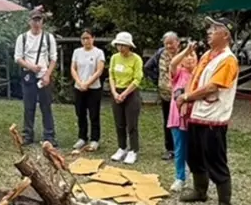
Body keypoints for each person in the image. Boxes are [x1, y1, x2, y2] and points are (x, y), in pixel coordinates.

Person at [178, 17, 240, 205]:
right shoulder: (207, 54)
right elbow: (194, 78)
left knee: (215, 158)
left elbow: (213, 86)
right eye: (210, 28)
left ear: (226, 35)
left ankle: (225, 202)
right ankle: (200, 190)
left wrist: (187, 97)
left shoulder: (228, 60)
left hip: (214, 117)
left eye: (215, 28)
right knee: (193, 154)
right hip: (197, 114)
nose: (209, 31)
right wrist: (186, 97)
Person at [14, 6, 58, 145]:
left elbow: (53, 58)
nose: (36, 23)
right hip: (28, 74)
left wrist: (47, 75)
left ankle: (49, 136)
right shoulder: (22, 38)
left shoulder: (48, 37)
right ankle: (28, 135)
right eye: (34, 20)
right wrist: (30, 66)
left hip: (43, 75)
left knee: (46, 106)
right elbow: (18, 58)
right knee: (29, 106)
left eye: (39, 20)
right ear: (29, 21)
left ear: (42, 21)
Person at [107, 32, 144, 164]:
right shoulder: (114, 58)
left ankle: (133, 150)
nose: (120, 48)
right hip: (116, 91)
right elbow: (111, 75)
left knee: (131, 124)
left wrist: (124, 94)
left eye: (123, 45)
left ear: (129, 46)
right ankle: (121, 147)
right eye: (118, 45)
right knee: (119, 123)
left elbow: (137, 79)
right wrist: (115, 92)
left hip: (131, 93)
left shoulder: (136, 59)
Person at [144, 32, 181, 160]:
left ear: (178, 42)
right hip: (165, 94)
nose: (169, 46)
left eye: (171, 43)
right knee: (168, 122)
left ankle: (183, 149)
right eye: (166, 43)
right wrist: (158, 80)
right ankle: (170, 149)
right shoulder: (161, 53)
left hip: (182, 95)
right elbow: (147, 67)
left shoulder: (184, 54)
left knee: (182, 122)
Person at [166, 42, 197, 192]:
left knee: (196, 148)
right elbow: (172, 63)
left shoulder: (199, 74)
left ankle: (198, 176)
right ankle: (180, 177)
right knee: (179, 148)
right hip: (177, 117)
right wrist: (186, 50)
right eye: (187, 56)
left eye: (193, 55)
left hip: (195, 117)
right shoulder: (178, 73)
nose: (190, 58)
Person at [70, 30, 105, 152]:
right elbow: (73, 69)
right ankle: (82, 137)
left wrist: (87, 83)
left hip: (94, 88)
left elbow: (99, 71)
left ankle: (95, 139)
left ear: (93, 38)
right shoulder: (77, 52)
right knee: (80, 113)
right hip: (79, 88)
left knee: (94, 114)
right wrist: (79, 83)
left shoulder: (98, 53)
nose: (86, 41)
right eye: (83, 38)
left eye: (88, 38)